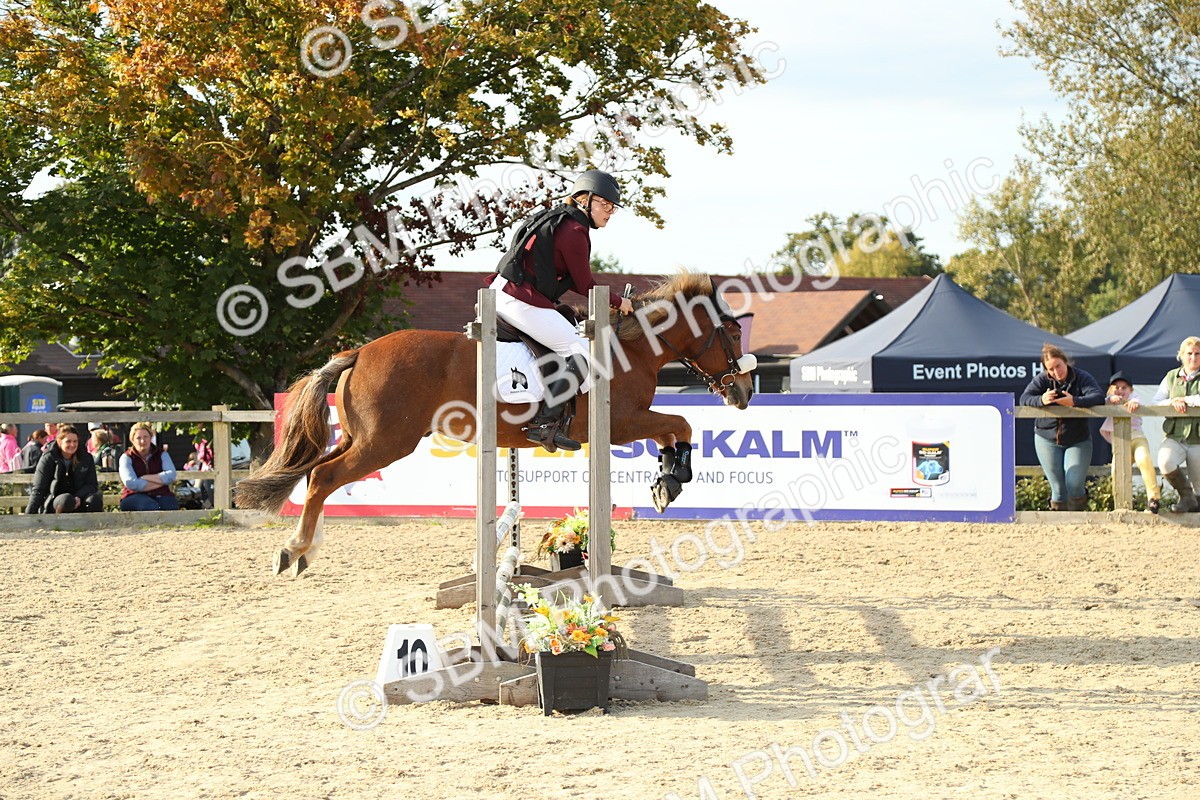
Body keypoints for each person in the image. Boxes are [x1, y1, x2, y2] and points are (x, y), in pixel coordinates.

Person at [486, 169, 634, 451]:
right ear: (584, 200)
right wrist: (620, 302)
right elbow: (586, 285)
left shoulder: (560, 219)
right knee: (585, 351)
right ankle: (545, 424)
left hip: (505, 293)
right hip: (518, 300)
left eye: (612, 207)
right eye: (605, 204)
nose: (609, 212)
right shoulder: (574, 232)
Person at [1020, 343, 1105, 511]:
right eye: (1051, 369)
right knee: (1058, 489)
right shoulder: (1042, 380)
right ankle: (1059, 528)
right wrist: (1041, 400)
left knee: (1074, 484)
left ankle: (1078, 519)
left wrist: (1074, 401)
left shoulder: (1082, 377)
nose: (1056, 371)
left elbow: (1098, 397)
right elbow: (1024, 398)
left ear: (1065, 361)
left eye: (1058, 366)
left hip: (1077, 439)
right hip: (1046, 438)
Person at [1129, 336, 1200, 512]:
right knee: (1165, 461)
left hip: (1198, 437)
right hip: (1175, 435)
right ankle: (1186, 497)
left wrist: (1184, 399)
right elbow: (1156, 401)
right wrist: (1172, 401)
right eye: (1189, 353)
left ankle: (1193, 506)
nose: (1193, 357)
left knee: (1199, 484)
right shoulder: (1171, 377)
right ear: (1182, 355)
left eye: (1198, 353)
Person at [1099, 371, 1161, 514]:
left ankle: (1154, 498)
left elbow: (1137, 402)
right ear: (1111, 389)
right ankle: (1120, 504)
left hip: (1137, 437)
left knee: (1144, 459)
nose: (1120, 391)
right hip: (1120, 442)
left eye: (1124, 388)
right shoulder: (1108, 399)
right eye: (1117, 387)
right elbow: (1104, 402)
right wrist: (1111, 398)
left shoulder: (1135, 398)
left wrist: (1133, 402)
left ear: (1130, 390)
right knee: (1117, 471)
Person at [25, 424, 103, 514]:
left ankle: (93, 526)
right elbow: (39, 489)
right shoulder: (49, 458)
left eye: (75, 441)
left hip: (79, 498)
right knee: (67, 499)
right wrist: (29, 515)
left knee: (95, 500)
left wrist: (78, 496)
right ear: (59, 442)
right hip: (56, 500)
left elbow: (92, 484)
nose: (72, 445)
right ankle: (58, 525)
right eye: (68, 441)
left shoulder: (86, 458)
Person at [118, 422, 179, 511]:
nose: (143, 441)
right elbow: (131, 483)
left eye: (146, 437)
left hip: (161, 493)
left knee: (171, 506)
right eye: (138, 438)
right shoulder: (126, 457)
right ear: (132, 440)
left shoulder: (162, 454)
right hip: (133, 495)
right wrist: (161, 481)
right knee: (150, 506)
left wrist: (145, 478)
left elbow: (171, 475)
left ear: (151, 437)